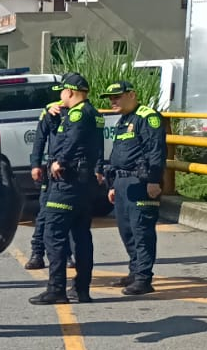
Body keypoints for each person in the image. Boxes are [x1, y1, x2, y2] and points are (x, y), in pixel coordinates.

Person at [29, 73, 103, 305]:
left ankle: (56, 289)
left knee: (54, 233)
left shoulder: (79, 113)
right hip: (83, 182)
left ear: (69, 92)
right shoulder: (91, 112)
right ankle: (81, 289)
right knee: (81, 236)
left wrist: (59, 159)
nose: (60, 97)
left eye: (62, 93)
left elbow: (71, 140)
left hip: (67, 182)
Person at [100, 81, 166, 296]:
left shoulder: (148, 117)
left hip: (141, 182)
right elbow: (119, 154)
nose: (113, 101)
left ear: (132, 95)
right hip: (122, 183)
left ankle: (144, 278)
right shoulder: (124, 120)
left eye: (117, 97)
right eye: (110, 98)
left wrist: (154, 181)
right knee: (127, 230)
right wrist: (112, 185)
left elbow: (156, 150)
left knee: (141, 231)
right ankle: (135, 271)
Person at [26, 95, 70, 271]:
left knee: (69, 216)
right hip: (52, 170)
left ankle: (68, 254)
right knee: (44, 214)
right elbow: (39, 140)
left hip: (72, 169)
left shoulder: (81, 113)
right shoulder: (51, 112)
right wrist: (35, 165)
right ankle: (37, 253)